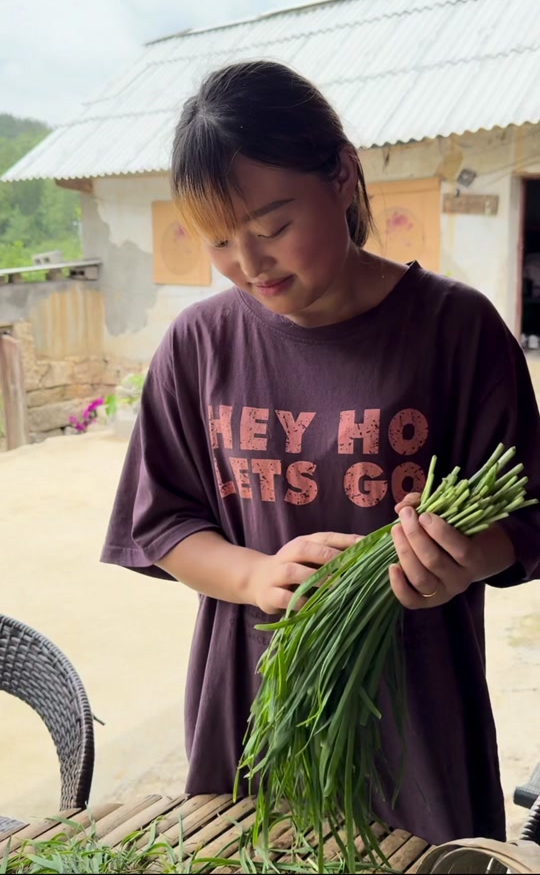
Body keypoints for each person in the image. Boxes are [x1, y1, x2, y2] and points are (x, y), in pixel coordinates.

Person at [101, 60, 540, 846]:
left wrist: (467, 557)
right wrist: (253, 575)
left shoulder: (458, 330)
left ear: (343, 174)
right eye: (219, 240)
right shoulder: (200, 345)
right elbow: (163, 524)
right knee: (256, 851)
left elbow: (530, 519)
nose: (250, 262)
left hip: (416, 699)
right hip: (257, 693)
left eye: (272, 226)